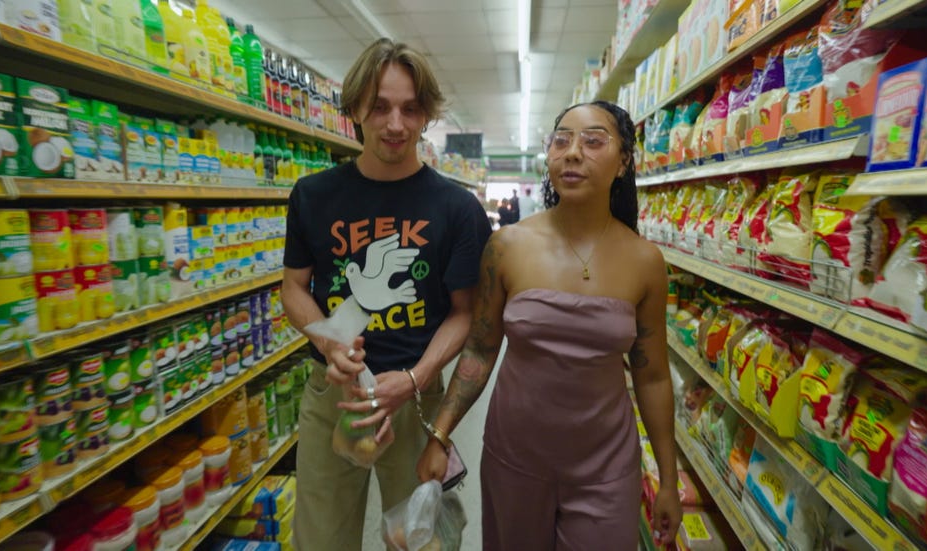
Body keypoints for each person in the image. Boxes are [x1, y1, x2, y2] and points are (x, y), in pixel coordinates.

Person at [417, 101, 682, 549]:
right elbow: (480, 350)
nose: (573, 152)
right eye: (562, 140)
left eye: (593, 140)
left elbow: (652, 375)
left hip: (607, 466)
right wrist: (439, 436)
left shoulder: (645, 262)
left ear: (624, 162)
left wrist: (670, 481)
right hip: (514, 458)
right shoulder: (507, 247)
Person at [281, 37, 492, 550]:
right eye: (379, 107)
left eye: (410, 108)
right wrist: (331, 343)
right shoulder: (313, 196)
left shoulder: (457, 208)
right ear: (355, 108)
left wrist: (416, 378)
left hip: (418, 398)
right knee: (321, 538)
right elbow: (293, 289)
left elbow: (466, 314)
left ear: (426, 116)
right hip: (336, 395)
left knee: (422, 539)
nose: (395, 124)